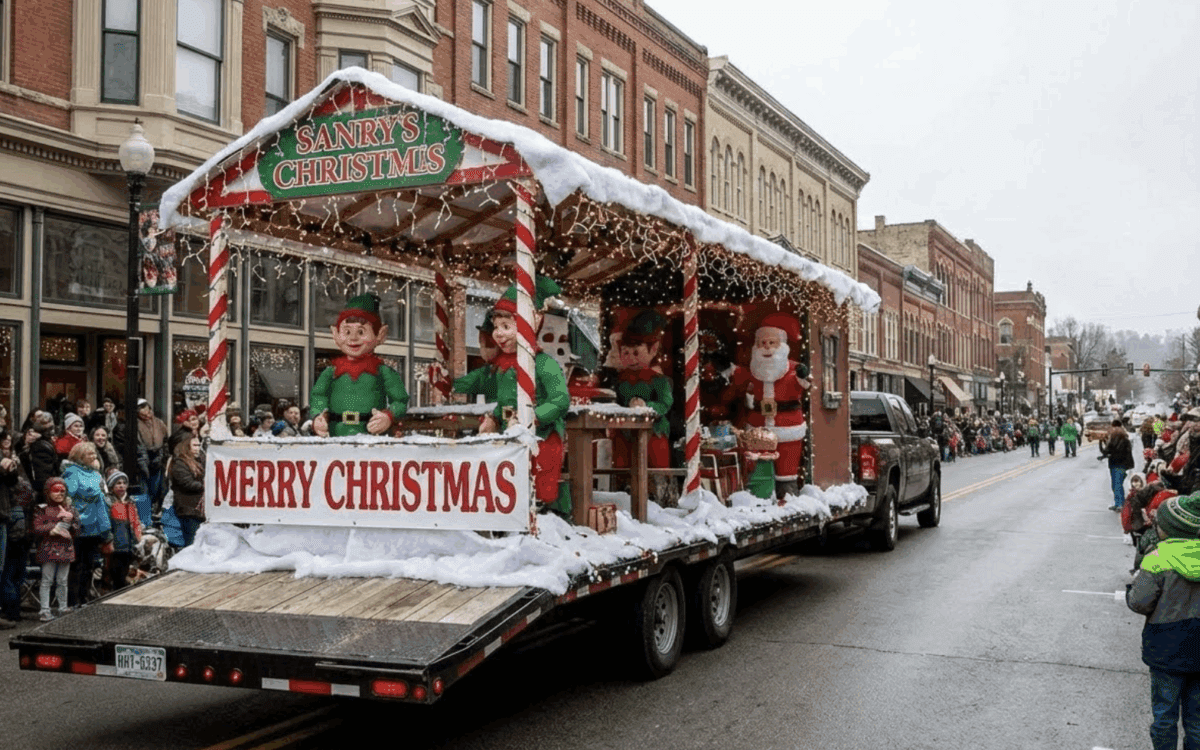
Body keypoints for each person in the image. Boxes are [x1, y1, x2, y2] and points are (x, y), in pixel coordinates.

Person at [461, 277, 571, 513]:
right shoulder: (502, 367)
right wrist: (493, 417)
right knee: (505, 485)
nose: (498, 334)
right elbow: (500, 398)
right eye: (496, 327)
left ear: (531, 323)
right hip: (509, 438)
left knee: (536, 487)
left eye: (506, 327)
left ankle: (549, 515)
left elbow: (560, 400)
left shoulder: (544, 364)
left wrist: (534, 416)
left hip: (541, 438)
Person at [1126, 493, 1200, 750]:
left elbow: (1140, 602)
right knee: (1197, 719)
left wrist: (1131, 590)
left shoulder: (1158, 559)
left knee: (1165, 714)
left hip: (1166, 649)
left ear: (1168, 530)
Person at [726, 313, 816, 500]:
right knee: (758, 466)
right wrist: (728, 370)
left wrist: (803, 375)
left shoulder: (794, 369)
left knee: (786, 470)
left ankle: (787, 496)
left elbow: (806, 383)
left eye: (772, 343)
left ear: (782, 346)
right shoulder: (754, 369)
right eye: (762, 343)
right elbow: (739, 379)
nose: (766, 346)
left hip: (788, 426)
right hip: (758, 428)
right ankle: (761, 496)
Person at [311, 293, 409, 437]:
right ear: (336, 335)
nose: (353, 338)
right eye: (347, 332)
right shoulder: (331, 372)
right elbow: (318, 396)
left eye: (361, 332)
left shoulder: (383, 372)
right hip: (335, 434)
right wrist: (319, 416)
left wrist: (388, 416)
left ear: (380, 335)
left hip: (371, 435)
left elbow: (400, 400)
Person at [612, 310, 674, 472]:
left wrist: (647, 406)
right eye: (626, 352)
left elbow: (665, 403)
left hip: (653, 431)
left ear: (653, 350)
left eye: (636, 353)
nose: (631, 358)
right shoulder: (620, 380)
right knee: (624, 468)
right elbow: (616, 401)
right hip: (625, 433)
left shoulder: (658, 380)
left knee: (654, 468)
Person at [62, 441, 111, 607]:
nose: (93, 456)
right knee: (76, 564)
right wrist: (94, 492)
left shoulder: (96, 474)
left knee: (90, 564)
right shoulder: (71, 472)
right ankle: (73, 600)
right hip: (80, 524)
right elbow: (71, 493)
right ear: (80, 456)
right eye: (90, 454)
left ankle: (84, 598)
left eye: (94, 453)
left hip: (95, 525)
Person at [33, 478, 77, 621]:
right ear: (48, 492)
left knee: (63, 580)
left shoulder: (70, 509)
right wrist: (55, 526)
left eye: (63, 491)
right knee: (47, 580)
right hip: (49, 549)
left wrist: (71, 521)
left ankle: (62, 607)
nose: (60, 493)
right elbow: (37, 528)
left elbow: (78, 529)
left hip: (65, 549)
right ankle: (45, 610)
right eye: (56, 490)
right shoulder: (42, 509)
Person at [0, 430, 32, 623]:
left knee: (8, 571)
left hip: (11, 522)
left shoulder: (13, 465)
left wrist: (10, 470)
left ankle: (10, 610)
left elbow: (19, 485)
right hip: (11, 519)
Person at [105, 471, 140, 590]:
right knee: (116, 574)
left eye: (124, 483)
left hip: (129, 543)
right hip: (115, 545)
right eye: (118, 483)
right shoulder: (108, 502)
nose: (122, 486)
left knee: (126, 572)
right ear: (112, 486)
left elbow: (135, 521)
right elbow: (107, 523)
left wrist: (137, 537)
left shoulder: (130, 502)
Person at [169, 436, 205, 547]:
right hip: (188, 509)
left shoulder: (199, 461)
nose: (198, 448)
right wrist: (206, 485)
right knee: (191, 544)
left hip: (197, 510)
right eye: (194, 445)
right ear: (186, 446)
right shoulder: (179, 463)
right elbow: (187, 483)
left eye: (199, 445)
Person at [135, 398, 169, 514]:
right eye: (142, 412)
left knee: (156, 488)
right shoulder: (136, 424)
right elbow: (139, 445)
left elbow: (165, 440)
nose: (146, 414)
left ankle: (154, 509)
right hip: (143, 458)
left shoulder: (159, 422)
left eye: (147, 410)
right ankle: (146, 513)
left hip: (158, 457)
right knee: (144, 489)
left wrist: (163, 456)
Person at [1100, 419, 1137, 511]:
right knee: (1117, 484)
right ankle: (1119, 503)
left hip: (1117, 464)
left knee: (1116, 485)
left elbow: (1106, 451)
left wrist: (1102, 442)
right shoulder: (1125, 439)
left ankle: (1120, 504)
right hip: (1121, 464)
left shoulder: (1114, 439)